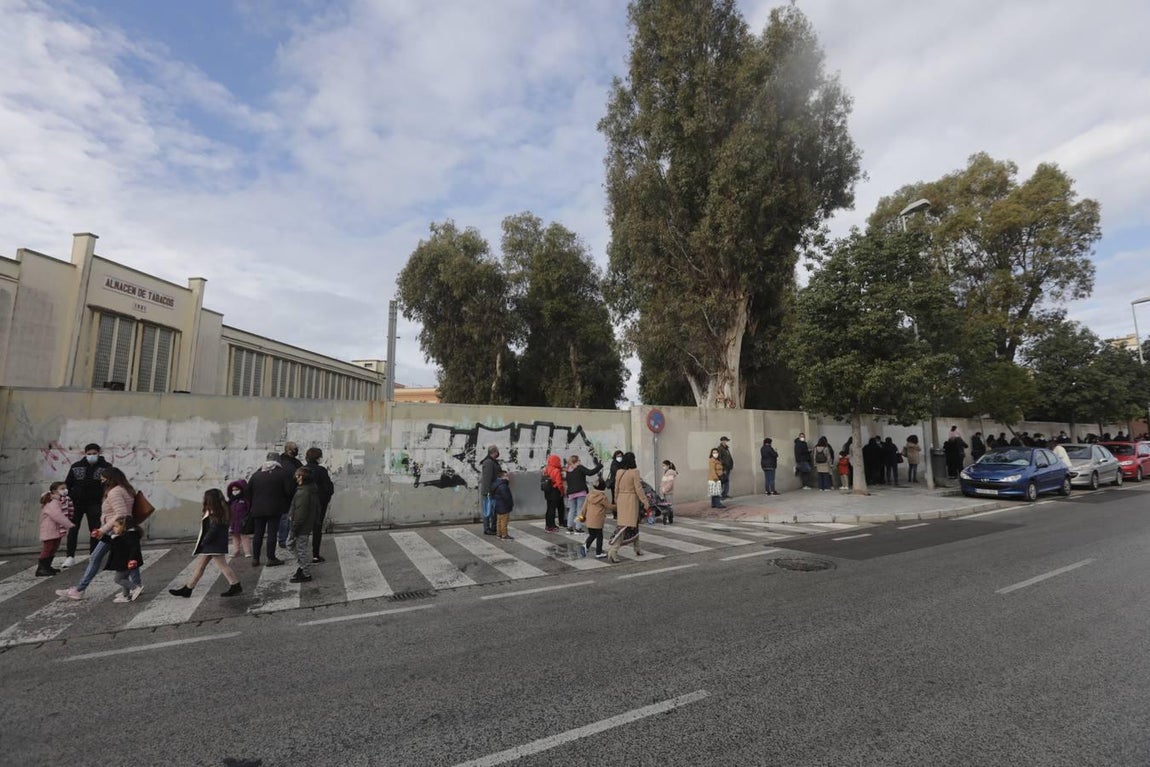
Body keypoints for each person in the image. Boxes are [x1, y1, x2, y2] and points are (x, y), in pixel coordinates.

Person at [55, 467, 135, 601]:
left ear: (110, 478)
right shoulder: (125, 489)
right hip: (121, 528)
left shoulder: (115, 492)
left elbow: (120, 514)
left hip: (113, 530)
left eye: (103, 478)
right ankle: (134, 588)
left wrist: (103, 530)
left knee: (95, 558)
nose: (101, 481)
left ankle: (79, 590)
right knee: (129, 559)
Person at [169, 489, 242, 599]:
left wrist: (205, 540)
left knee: (222, 566)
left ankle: (235, 585)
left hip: (213, 544)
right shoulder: (220, 509)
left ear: (210, 500)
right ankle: (188, 588)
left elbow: (214, 528)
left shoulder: (216, 512)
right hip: (212, 544)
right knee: (201, 566)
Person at [62, 443, 111, 566]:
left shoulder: (106, 467)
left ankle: (93, 555)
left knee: (94, 530)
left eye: (94, 453)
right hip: (76, 503)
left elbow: (109, 485)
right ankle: (70, 556)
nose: (91, 456)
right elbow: (68, 483)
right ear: (85, 454)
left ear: (99, 453)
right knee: (73, 529)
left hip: (94, 503)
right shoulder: (76, 466)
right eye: (89, 454)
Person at [246, 453, 293, 567]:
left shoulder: (256, 474)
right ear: (278, 461)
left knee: (258, 534)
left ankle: (255, 559)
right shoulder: (282, 474)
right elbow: (289, 491)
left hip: (257, 509)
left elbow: (248, 492)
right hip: (274, 508)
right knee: (272, 533)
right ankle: (271, 558)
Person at [607, 453, 649, 563]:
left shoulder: (619, 472)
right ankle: (613, 551)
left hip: (621, 499)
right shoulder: (635, 472)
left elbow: (616, 488)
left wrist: (616, 499)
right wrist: (645, 501)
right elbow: (638, 489)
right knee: (625, 526)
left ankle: (637, 548)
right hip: (631, 500)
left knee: (634, 524)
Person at [287, 467, 321, 584]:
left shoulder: (303, 492)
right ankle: (302, 566)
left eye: (297, 475)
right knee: (299, 548)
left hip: (301, 526)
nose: (295, 478)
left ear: (301, 477)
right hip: (304, 525)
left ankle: (305, 571)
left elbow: (300, 513)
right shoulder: (308, 489)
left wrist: (294, 529)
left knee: (295, 547)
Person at [305, 448, 335, 563]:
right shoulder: (321, 470)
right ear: (318, 458)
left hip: (304, 503)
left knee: (303, 530)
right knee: (317, 529)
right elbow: (328, 488)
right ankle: (315, 555)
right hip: (318, 504)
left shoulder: (302, 470)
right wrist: (325, 499)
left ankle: (301, 554)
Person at [37, 482, 74, 576]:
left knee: (54, 548)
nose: (65, 490)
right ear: (54, 491)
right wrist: (69, 524)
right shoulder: (52, 502)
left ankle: (47, 567)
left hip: (56, 529)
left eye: (65, 488)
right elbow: (57, 515)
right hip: (50, 529)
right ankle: (41, 569)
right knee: (48, 548)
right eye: (62, 488)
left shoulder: (61, 500)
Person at [105, 516, 145, 603]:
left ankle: (135, 588)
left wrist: (132, 560)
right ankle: (126, 595)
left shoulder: (128, 536)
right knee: (124, 578)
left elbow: (134, 549)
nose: (113, 528)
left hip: (124, 562)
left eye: (116, 526)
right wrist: (101, 536)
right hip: (124, 562)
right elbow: (112, 541)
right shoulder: (124, 536)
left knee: (118, 579)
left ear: (124, 527)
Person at [564, 455, 601, 534]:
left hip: (571, 493)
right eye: (579, 460)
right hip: (580, 492)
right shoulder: (580, 468)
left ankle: (569, 527)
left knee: (571, 510)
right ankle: (578, 527)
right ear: (577, 461)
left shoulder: (568, 470)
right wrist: (599, 466)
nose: (580, 461)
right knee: (580, 511)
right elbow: (590, 472)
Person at [276, 442, 303, 552]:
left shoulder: (283, 461)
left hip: (284, 494)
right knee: (285, 518)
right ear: (288, 449)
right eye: (295, 449)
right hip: (288, 494)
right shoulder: (289, 463)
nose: (297, 450)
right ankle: (284, 540)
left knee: (285, 518)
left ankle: (285, 539)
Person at [580, 479, 613, 559]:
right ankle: (598, 553)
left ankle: (585, 546)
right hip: (598, 520)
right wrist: (618, 506)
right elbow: (609, 507)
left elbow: (584, 507)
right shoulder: (602, 497)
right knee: (599, 536)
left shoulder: (589, 495)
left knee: (592, 534)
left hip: (589, 520)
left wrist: (582, 516)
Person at [478, 446, 502, 536]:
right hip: (488, 491)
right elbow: (487, 478)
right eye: (497, 451)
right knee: (487, 511)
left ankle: (493, 527)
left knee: (493, 511)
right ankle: (487, 529)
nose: (498, 453)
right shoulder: (488, 462)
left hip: (493, 490)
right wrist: (488, 492)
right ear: (494, 452)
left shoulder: (493, 461)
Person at [226, 479, 251, 558]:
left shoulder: (245, 500)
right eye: (233, 490)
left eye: (237, 489)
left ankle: (247, 551)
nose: (235, 491)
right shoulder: (231, 500)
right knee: (235, 537)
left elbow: (249, 510)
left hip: (242, 522)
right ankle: (236, 551)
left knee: (244, 537)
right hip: (233, 522)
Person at [541, 454, 565, 532]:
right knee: (553, 509)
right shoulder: (556, 470)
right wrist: (562, 491)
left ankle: (548, 525)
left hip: (547, 491)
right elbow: (559, 483)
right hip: (554, 491)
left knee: (549, 508)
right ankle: (551, 526)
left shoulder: (546, 469)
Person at [491, 470, 514, 541]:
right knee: (504, 521)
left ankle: (499, 534)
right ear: (502, 477)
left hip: (498, 506)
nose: (508, 478)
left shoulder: (496, 484)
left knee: (499, 521)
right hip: (504, 506)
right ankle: (504, 535)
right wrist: (511, 504)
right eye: (506, 476)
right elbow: (507, 497)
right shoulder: (503, 486)